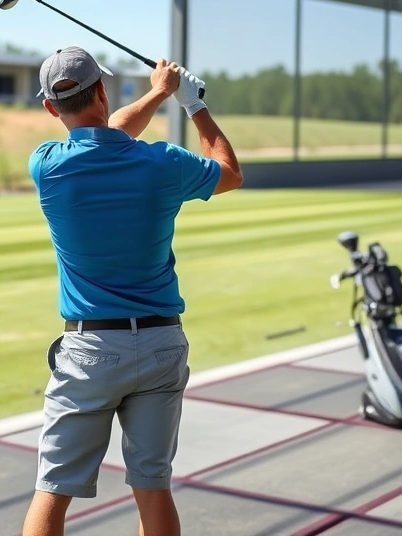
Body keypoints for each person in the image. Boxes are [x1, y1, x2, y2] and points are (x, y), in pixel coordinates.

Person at [20, 47, 243, 536]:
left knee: (53, 489)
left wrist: (159, 94)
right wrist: (190, 103)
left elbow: (104, 136)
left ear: (50, 108)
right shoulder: (162, 162)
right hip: (162, 345)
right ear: (102, 91)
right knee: (152, 486)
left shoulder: (47, 165)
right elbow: (229, 172)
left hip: (90, 351)